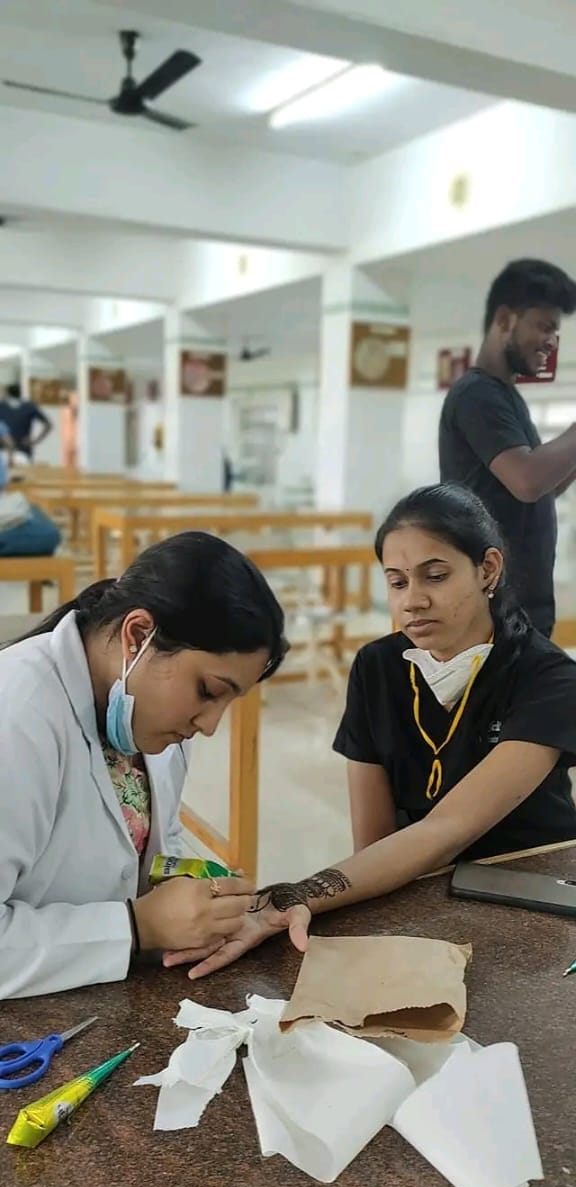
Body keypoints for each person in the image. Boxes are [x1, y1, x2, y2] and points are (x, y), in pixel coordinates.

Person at [169, 484, 576, 980]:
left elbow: (446, 828)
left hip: (531, 899)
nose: (413, 601)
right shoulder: (378, 667)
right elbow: (373, 843)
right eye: (397, 582)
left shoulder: (547, 678)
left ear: (488, 569)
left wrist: (297, 894)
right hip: (418, 888)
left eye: (436, 576)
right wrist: (299, 904)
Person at [0, 531, 287, 999]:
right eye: (208, 692)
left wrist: (210, 904)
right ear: (137, 635)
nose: (209, 724)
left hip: (96, 995)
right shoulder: (16, 715)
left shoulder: (148, 718)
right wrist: (136, 926)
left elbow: (150, 851)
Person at [439, 258, 576, 637]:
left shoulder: (506, 397)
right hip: (490, 615)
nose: (552, 341)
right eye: (544, 327)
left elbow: (539, 489)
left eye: (556, 331)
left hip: (519, 611)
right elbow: (527, 481)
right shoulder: (477, 395)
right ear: (504, 320)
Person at [0, 381, 53, 461]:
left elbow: (48, 425)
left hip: (5, 450)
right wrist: (35, 441)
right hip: (23, 450)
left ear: (7, 393)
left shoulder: (2, 407)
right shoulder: (29, 407)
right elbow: (48, 425)